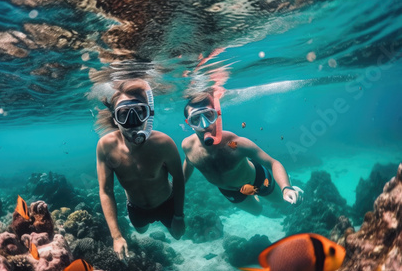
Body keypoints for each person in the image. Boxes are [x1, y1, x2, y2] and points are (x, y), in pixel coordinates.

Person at [96, 79, 185, 259]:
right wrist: (117, 236)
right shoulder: (106, 146)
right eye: (124, 114)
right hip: (136, 208)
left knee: (177, 234)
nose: (133, 121)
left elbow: (179, 179)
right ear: (114, 118)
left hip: (167, 203)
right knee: (141, 231)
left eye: (139, 112)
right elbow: (105, 191)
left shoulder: (164, 144)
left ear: (149, 115)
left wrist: (179, 216)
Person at [182, 90, 303, 216]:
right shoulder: (188, 146)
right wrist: (180, 184)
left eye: (208, 115)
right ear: (189, 123)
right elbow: (189, 160)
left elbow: (273, 163)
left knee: (283, 202)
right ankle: (255, 197)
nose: (204, 125)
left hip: (257, 180)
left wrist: (286, 188)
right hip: (229, 191)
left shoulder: (236, 144)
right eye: (195, 119)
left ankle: (292, 186)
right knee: (257, 211)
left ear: (217, 116)